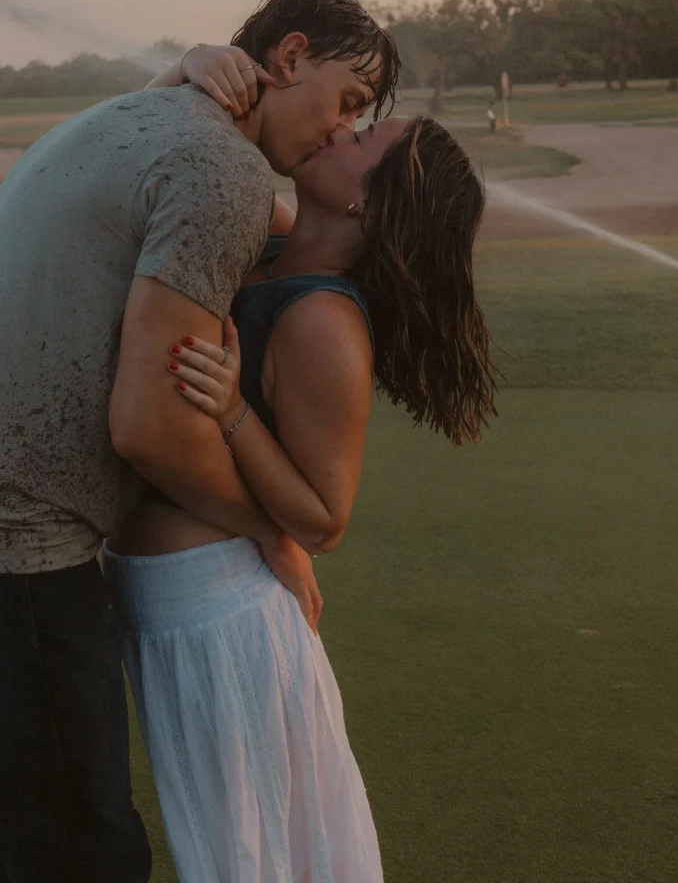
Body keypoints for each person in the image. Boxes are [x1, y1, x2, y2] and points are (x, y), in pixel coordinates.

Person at [0, 0, 399, 883]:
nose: (341, 130)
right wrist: (270, 536)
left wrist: (186, 69)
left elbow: (296, 235)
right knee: (79, 851)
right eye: (345, 101)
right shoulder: (221, 167)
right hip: (23, 552)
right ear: (289, 57)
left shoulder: (143, 119)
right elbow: (145, 426)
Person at [101, 51, 499, 880]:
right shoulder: (277, 246)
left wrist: (235, 414)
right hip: (181, 603)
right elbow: (135, 145)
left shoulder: (323, 323)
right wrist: (185, 66)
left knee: (248, 857)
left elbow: (323, 520)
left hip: (219, 613)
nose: (341, 129)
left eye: (364, 137)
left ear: (366, 199)